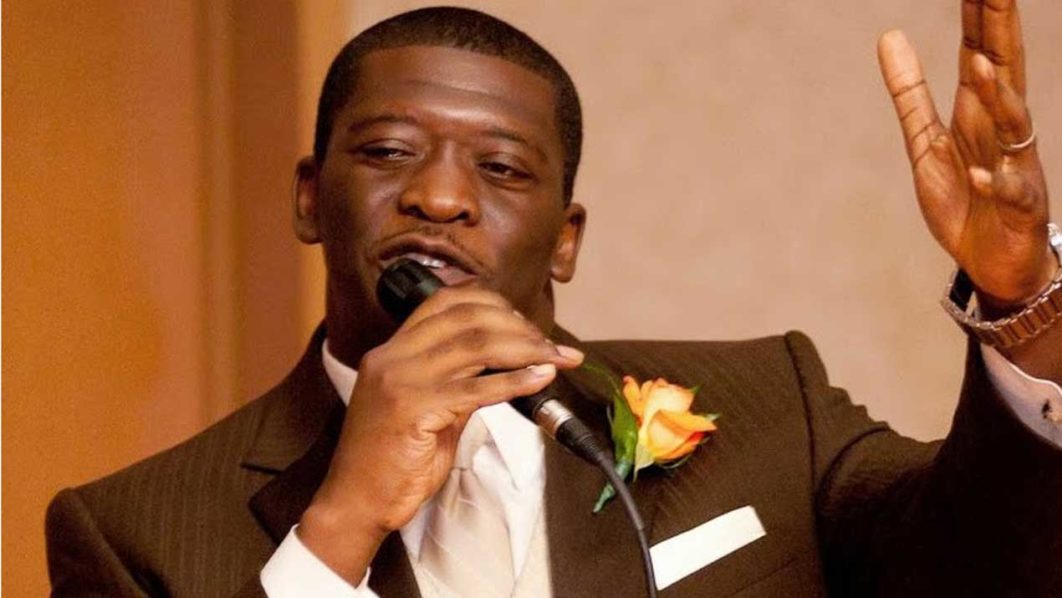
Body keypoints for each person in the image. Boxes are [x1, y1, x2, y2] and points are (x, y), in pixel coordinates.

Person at [46, 4, 1061, 597]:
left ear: (565, 240)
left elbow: (986, 570)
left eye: (500, 168)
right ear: (311, 199)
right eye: (390, 152)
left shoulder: (768, 406)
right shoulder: (133, 532)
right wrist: (340, 523)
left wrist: (1022, 308)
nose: (441, 198)